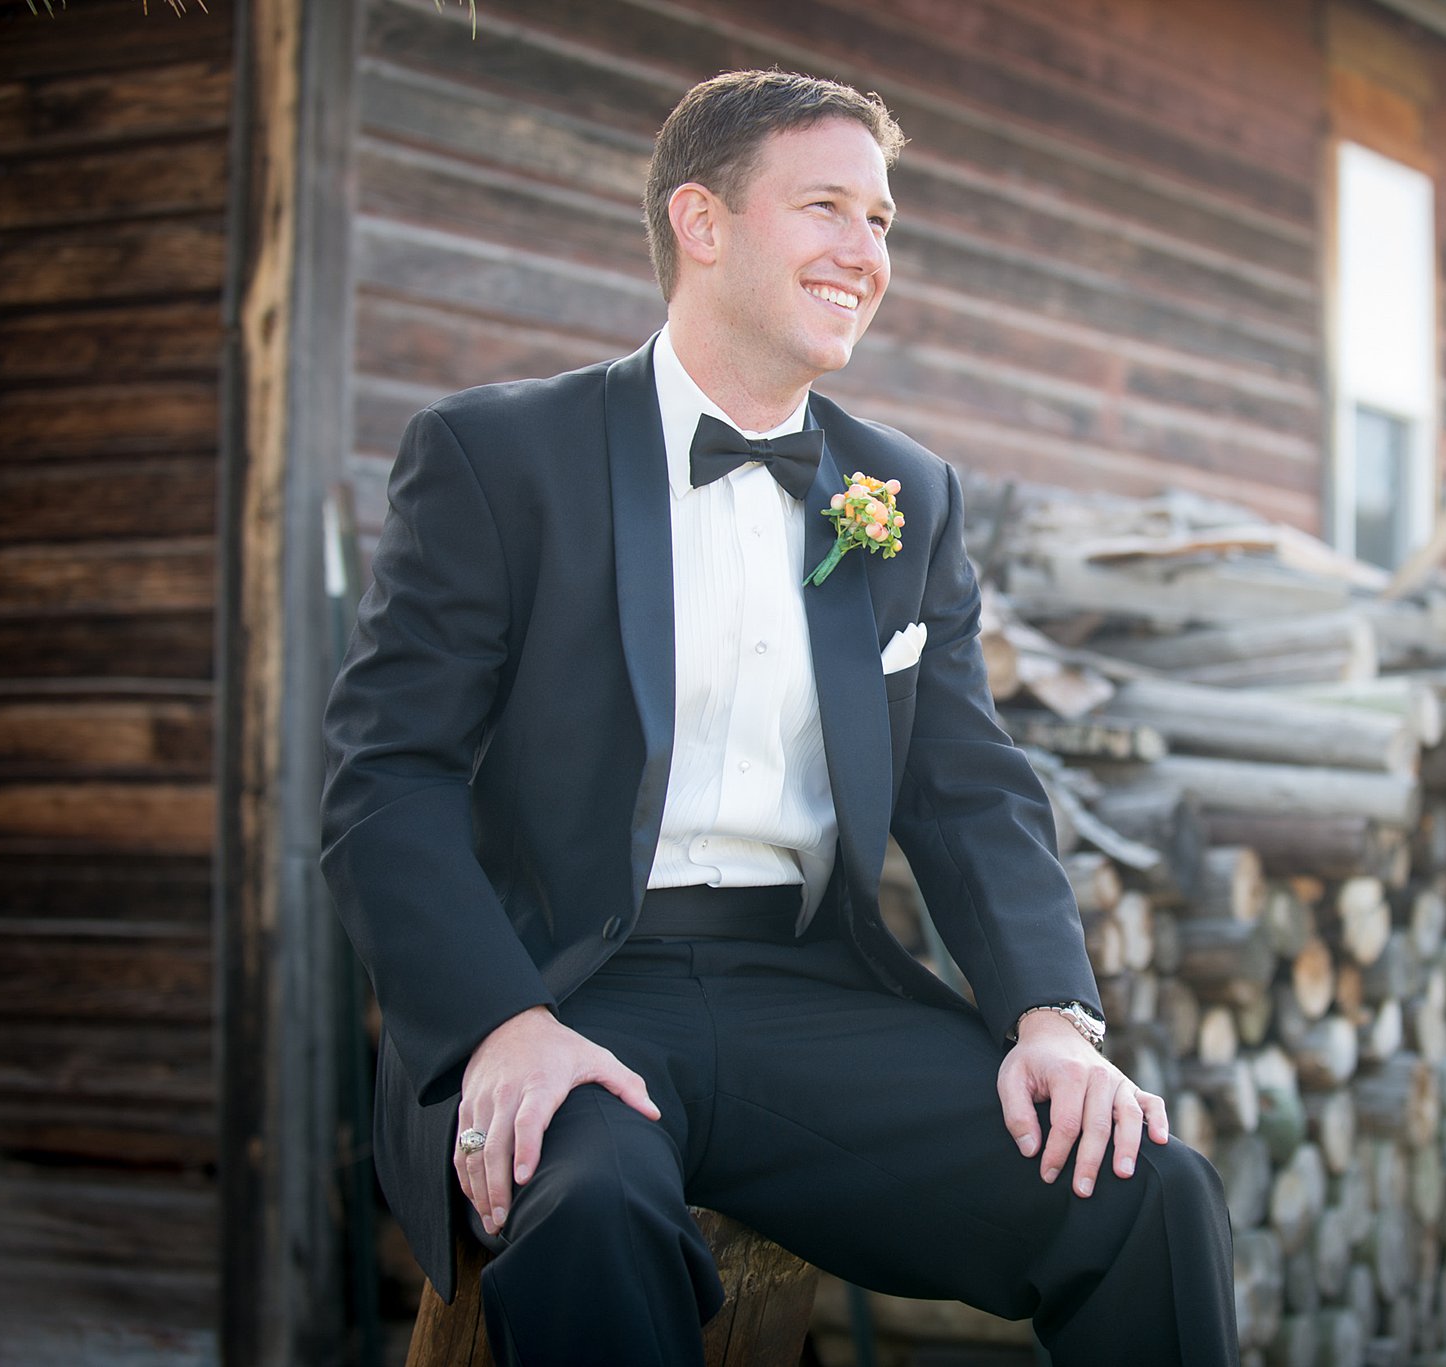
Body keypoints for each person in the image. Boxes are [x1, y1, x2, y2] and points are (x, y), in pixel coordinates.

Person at [320, 68, 1235, 1365]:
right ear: (703, 222)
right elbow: (384, 777)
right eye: (828, 209)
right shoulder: (495, 457)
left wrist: (1051, 1019)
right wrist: (498, 1025)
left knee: (1145, 1191)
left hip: (812, 992)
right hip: (567, 988)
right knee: (591, 1215)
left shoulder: (900, 493)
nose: (867, 254)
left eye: (882, 223)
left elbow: (968, 781)